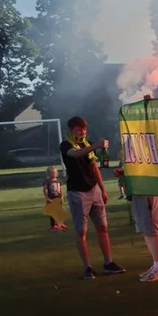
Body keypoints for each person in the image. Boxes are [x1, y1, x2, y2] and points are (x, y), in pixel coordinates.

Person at [60, 116, 125, 279]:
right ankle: (87, 267)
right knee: (81, 231)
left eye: (84, 129)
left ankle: (108, 262)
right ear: (70, 129)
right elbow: (74, 154)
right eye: (79, 129)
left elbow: (94, 167)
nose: (82, 132)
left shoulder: (87, 143)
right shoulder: (66, 144)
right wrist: (96, 145)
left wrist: (102, 189)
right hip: (77, 193)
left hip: (93, 190)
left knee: (103, 227)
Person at [42, 166, 68, 231]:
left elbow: (60, 189)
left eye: (54, 173)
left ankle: (60, 223)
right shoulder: (47, 182)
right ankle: (53, 226)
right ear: (48, 174)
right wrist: (47, 198)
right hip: (51, 199)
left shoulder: (58, 181)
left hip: (58, 199)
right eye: (52, 173)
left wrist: (61, 197)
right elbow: (45, 190)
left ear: (56, 173)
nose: (53, 174)